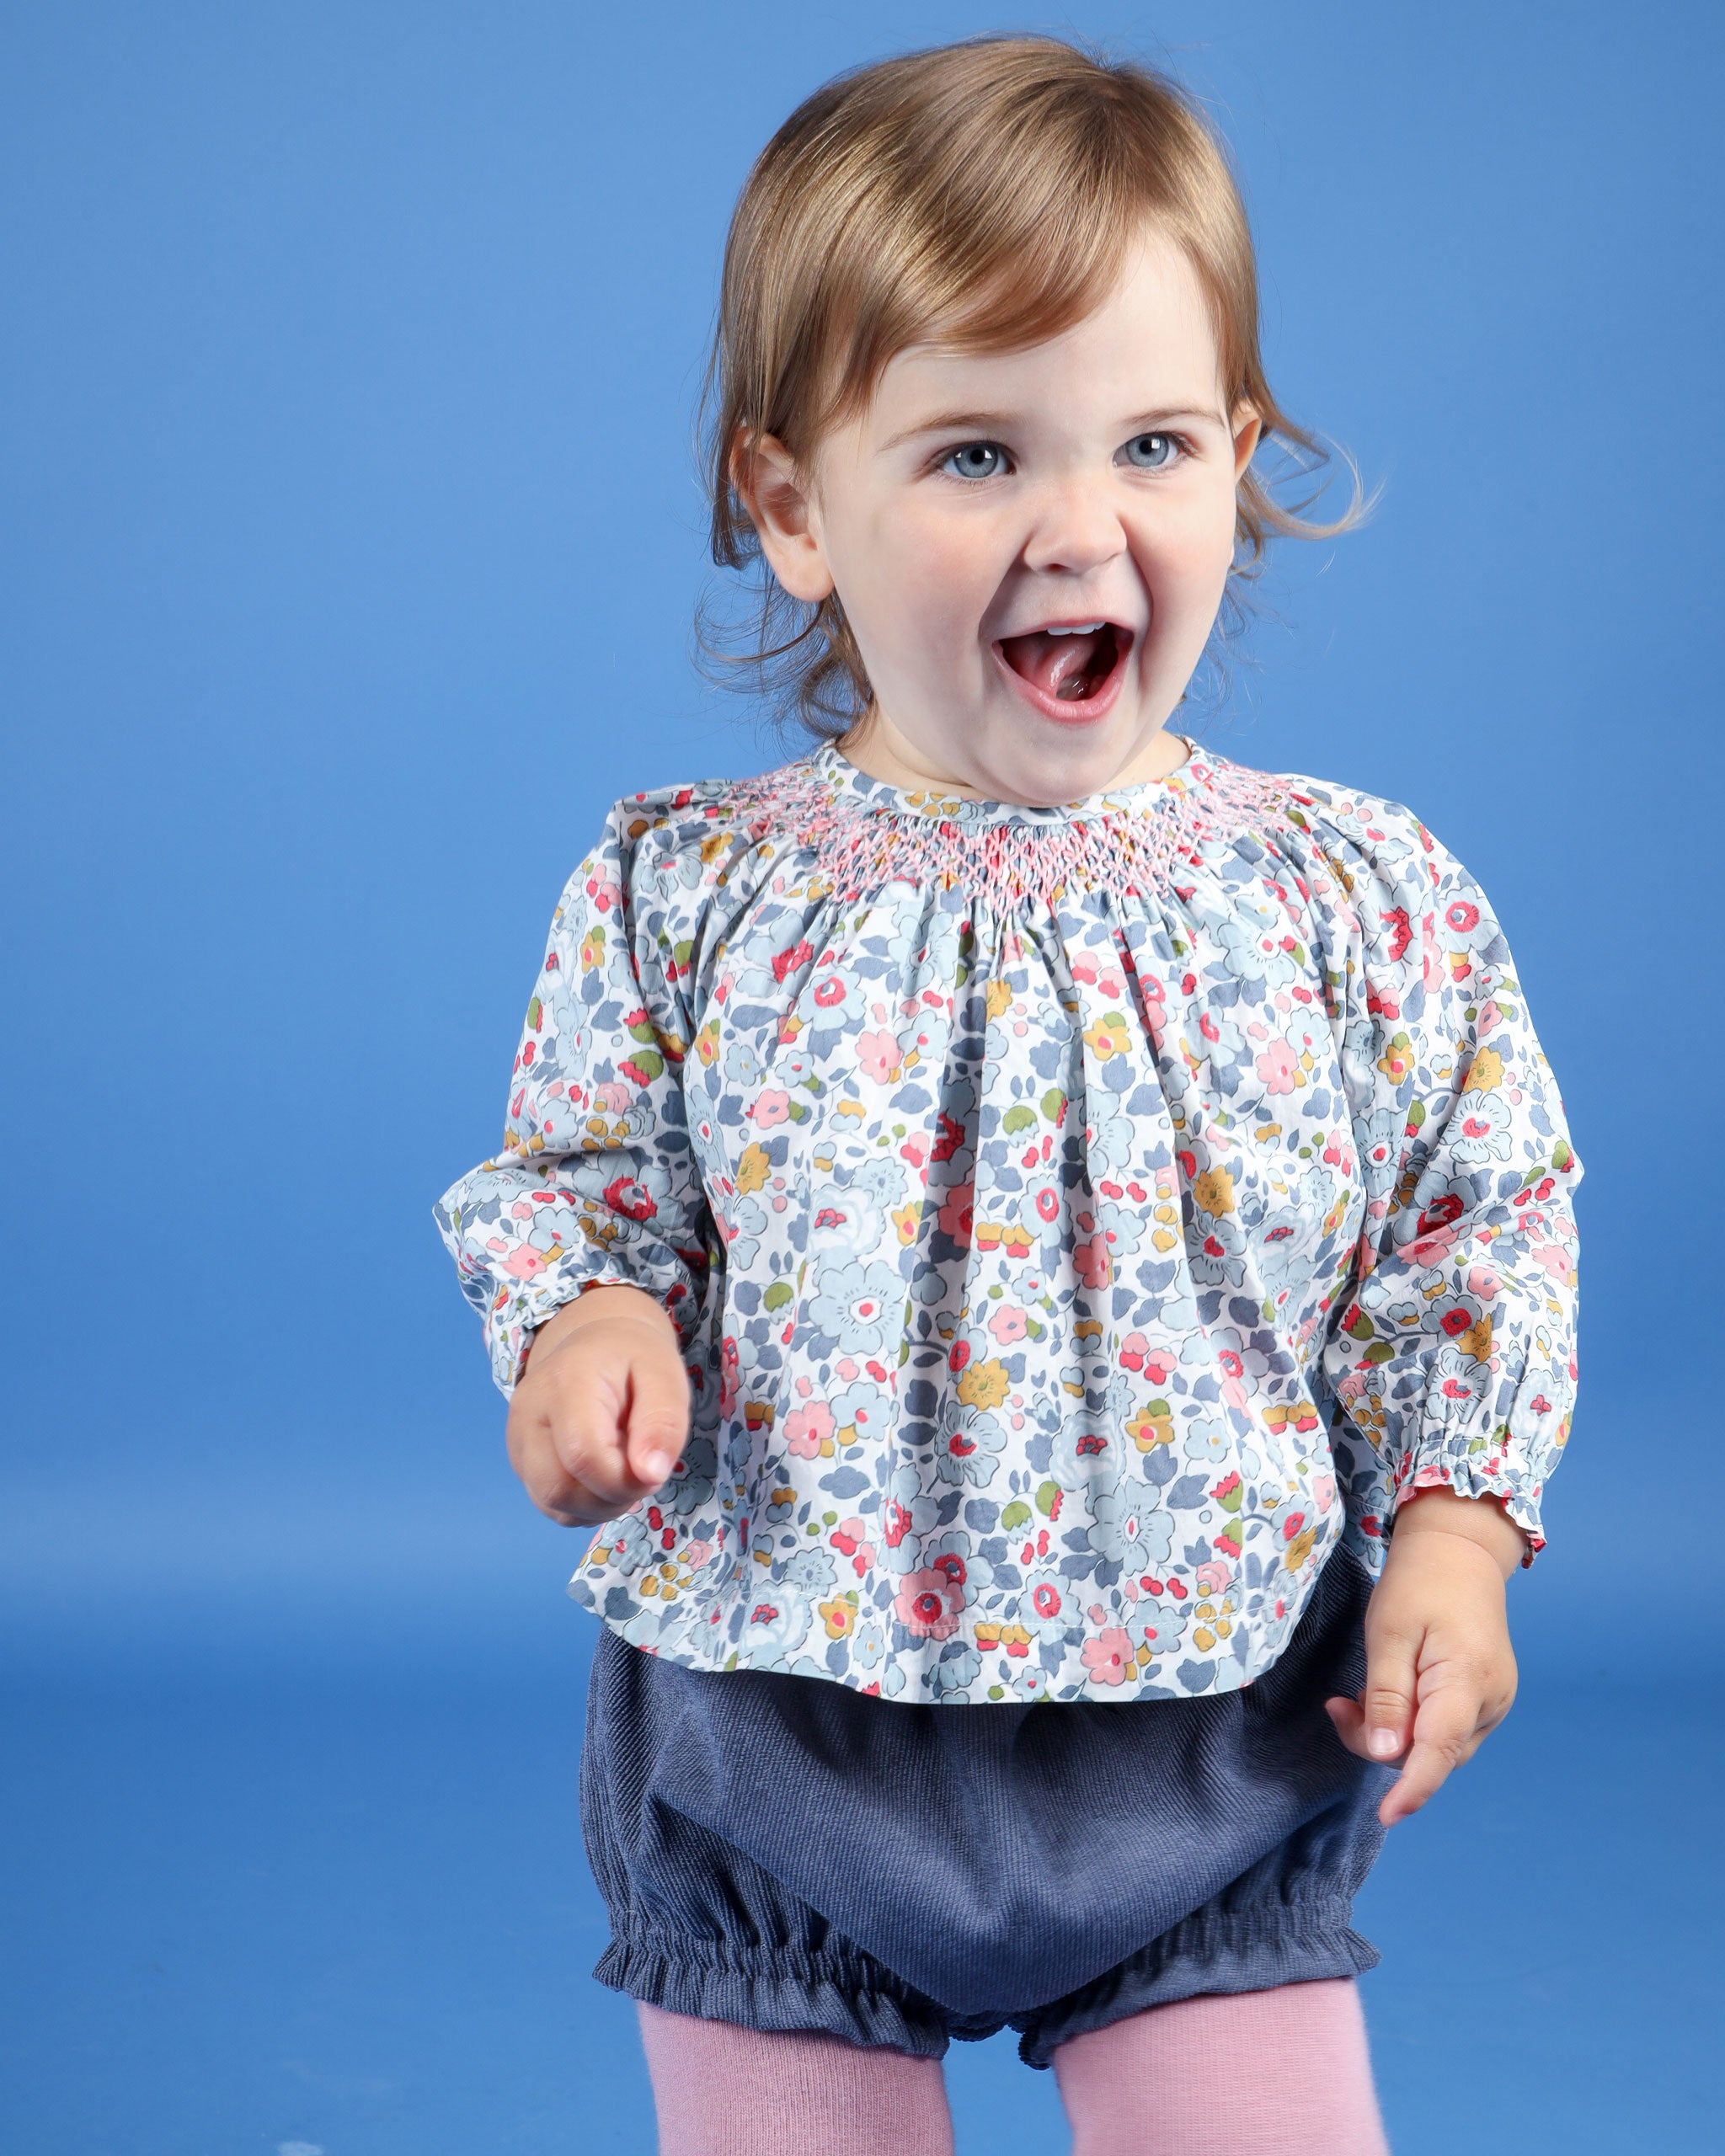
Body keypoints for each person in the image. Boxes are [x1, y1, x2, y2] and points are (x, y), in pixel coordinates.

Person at [435, 36, 1583, 2156]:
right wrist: (592, 1319)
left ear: (1236, 459)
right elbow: (591, 1179)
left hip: (1215, 1719)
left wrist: (1450, 1533)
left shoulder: (1348, 896)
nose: (1080, 523)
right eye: (975, 453)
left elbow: (1468, 1225)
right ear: (795, 506)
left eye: (1150, 442)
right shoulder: (691, 890)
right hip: (785, 1715)